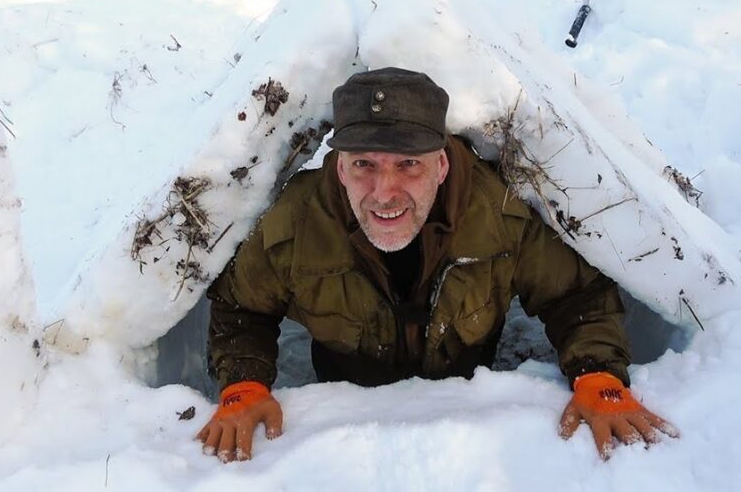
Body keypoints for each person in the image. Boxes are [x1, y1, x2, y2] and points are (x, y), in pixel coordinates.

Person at [195, 67, 678, 462]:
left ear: (442, 164)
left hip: (474, 438)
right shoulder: (296, 223)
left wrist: (597, 373)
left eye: (409, 165)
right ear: (339, 166)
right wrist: (244, 382)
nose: (385, 193)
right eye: (364, 164)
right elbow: (241, 307)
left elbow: (576, 294)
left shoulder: (499, 212)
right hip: (349, 444)